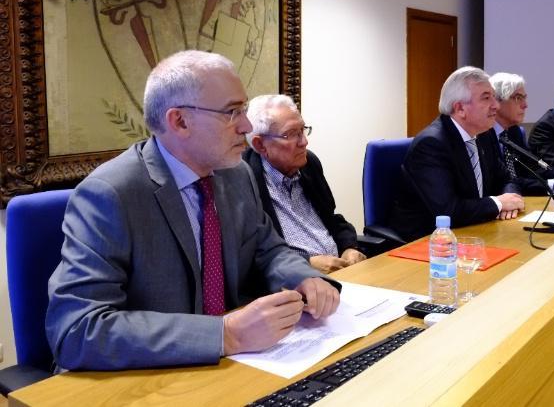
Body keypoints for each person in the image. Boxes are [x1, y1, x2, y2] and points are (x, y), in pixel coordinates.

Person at [46, 51, 340, 371]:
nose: (246, 125)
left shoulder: (235, 173)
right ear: (180, 121)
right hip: (147, 377)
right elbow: (77, 331)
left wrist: (306, 279)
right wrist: (223, 335)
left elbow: (267, 249)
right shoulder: (111, 194)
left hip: (235, 367)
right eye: (232, 112)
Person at [389, 66, 525, 241]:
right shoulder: (431, 144)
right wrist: (499, 203)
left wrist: (510, 201)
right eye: (486, 98)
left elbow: (507, 178)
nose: (496, 105)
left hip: (474, 230)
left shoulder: (483, 134)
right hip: (428, 242)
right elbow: (448, 212)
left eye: (494, 96)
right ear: (460, 108)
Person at [243, 95, 366, 274]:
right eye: (292, 134)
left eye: (303, 130)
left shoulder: (309, 165)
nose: (304, 142)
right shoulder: (244, 182)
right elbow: (251, 255)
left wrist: (349, 247)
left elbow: (331, 219)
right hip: (291, 284)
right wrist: (305, 263)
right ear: (260, 144)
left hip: (341, 274)